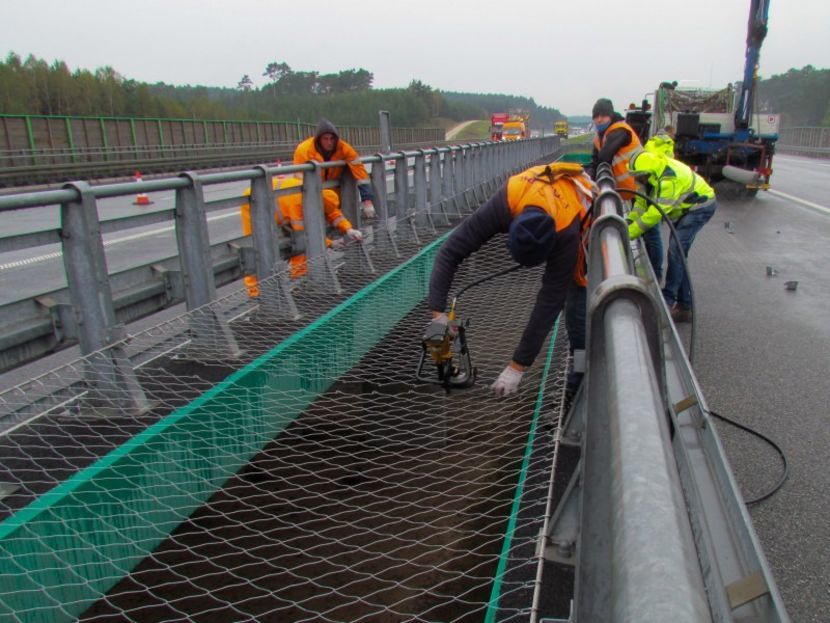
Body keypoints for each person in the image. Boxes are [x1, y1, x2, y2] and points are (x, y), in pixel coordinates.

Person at [427, 162, 596, 397]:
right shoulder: (507, 200)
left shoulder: (566, 233)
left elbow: (549, 302)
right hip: (538, 192)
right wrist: (438, 314)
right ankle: (577, 372)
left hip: (582, 223)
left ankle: (579, 382)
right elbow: (450, 252)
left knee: (577, 308)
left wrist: (517, 366)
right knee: (569, 306)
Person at [626, 151, 717, 323]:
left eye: (639, 177)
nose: (638, 180)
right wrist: (628, 221)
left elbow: (654, 215)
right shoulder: (649, 178)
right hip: (685, 209)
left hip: (699, 207)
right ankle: (685, 307)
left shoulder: (668, 180)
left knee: (676, 251)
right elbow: (641, 203)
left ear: (648, 173)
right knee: (679, 255)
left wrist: (628, 233)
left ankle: (668, 300)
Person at [240, 174, 363, 292]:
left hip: (277, 198)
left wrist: (348, 229)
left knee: (297, 248)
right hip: (254, 201)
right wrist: (330, 243)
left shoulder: (318, 195)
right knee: (255, 249)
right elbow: (303, 235)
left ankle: (299, 279)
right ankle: (255, 292)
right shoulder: (299, 203)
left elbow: (333, 214)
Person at [294, 119, 376, 220]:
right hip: (313, 196)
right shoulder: (304, 150)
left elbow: (361, 173)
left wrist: (367, 201)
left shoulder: (344, 148)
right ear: (318, 139)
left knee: (337, 224)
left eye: (332, 139)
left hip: (334, 198)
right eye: (325, 139)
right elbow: (299, 180)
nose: (329, 142)